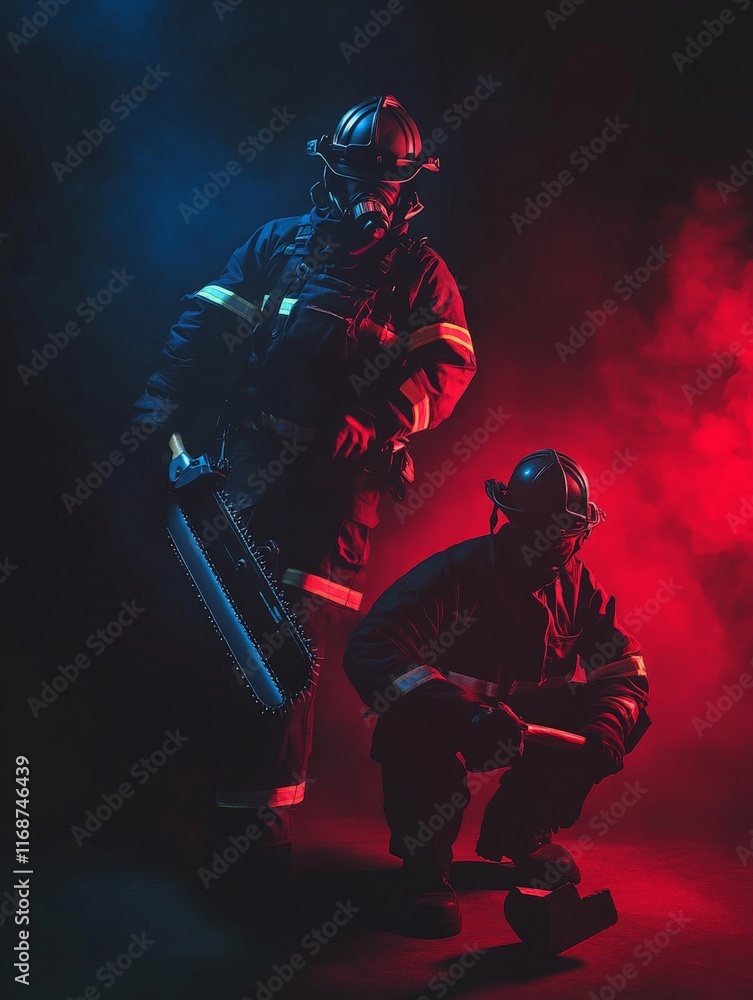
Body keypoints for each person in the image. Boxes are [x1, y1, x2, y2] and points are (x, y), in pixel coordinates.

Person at [131, 94, 476, 880]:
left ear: (411, 183)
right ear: (332, 168)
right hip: (249, 468)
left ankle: (257, 829)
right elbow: (204, 324)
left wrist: (383, 417)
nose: (370, 194)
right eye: (360, 174)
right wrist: (160, 398)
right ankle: (198, 800)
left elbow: (450, 366)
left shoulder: (419, 272)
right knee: (224, 630)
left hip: (336, 491)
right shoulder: (278, 246)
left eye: (387, 180)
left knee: (286, 650)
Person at [344, 449, 651, 937]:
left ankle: (521, 830)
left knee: (594, 713)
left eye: (565, 537)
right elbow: (372, 649)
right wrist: (464, 714)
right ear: (507, 519)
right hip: (446, 720)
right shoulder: (455, 574)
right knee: (409, 725)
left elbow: (624, 670)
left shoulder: (580, 588)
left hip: (524, 725)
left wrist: (607, 727)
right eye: (539, 532)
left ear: (582, 533)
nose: (551, 548)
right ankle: (426, 868)